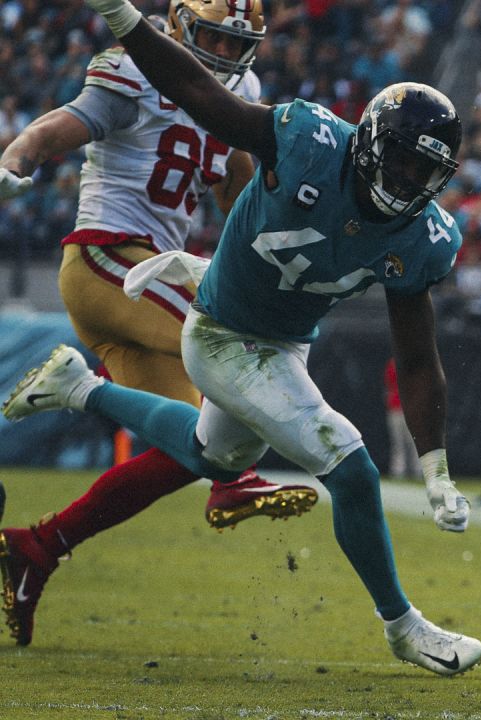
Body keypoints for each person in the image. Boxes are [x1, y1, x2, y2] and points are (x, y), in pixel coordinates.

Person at [3, 0, 481, 675]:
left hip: (273, 329)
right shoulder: (298, 134)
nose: (409, 183)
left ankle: (77, 402)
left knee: (208, 453)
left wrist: (435, 465)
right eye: (401, 164)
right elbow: (182, 94)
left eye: (425, 175)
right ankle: (402, 624)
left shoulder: (423, 235)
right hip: (179, 300)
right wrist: (115, 21)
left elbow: (416, 348)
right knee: (349, 464)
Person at [0, 0, 320, 647]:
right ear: (175, 25)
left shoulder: (244, 91)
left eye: (237, 45)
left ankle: (38, 545)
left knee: (196, 448)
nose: (225, 58)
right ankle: (72, 387)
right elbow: (66, 125)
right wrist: (19, 157)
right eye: (213, 40)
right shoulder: (133, 70)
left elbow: (236, 187)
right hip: (108, 259)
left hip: (151, 278)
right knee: (244, 360)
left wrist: (267, 247)